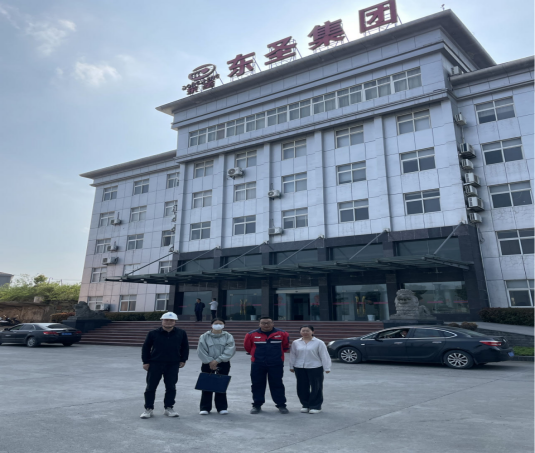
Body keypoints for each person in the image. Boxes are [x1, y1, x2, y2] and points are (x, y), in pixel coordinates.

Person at [140, 312, 189, 419]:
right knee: (151, 387)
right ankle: (148, 408)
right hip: (155, 363)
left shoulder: (181, 333)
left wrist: (183, 359)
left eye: (171, 320)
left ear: (175, 322)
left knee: (171, 386)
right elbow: (146, 348)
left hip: (173, 364)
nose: (168, 322)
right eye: (166, 320)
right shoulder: (153, 333)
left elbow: (185, 347)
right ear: (162, 321)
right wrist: (145, 362)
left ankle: (169, 408)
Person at [244, 317, 290, 414]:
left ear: (273, 323)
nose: (266, 325)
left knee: (277, 384)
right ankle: (257, 405)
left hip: (276, 363)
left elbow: (285, 347)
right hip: (258, 363)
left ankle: (281, 404)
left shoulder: (282, 334)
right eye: (263, 323)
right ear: (259, 324)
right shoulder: (251, 334)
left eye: (268, 323)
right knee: (257, 384)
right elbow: (248, 347)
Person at [196, 318, 236, 415]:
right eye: (216, 323)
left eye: (220, 323)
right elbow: (201, 350)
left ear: (224, 325)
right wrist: (210, 361)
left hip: (223, 362)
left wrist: (218, 360)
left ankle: (222, 407)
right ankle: (205, 407)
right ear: (211, 325)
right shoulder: (204, 336)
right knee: (206, 385)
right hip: (207, 363)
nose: (218, 325)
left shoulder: (228, 336)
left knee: (221, 384)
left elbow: (230, 349)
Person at [289, 325, 331, 414]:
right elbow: (293, 355)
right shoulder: (296, 342)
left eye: (307, 331)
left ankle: (316, 406)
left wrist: (327, 367)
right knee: (302, 387)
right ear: (300, 332)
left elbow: (324, 355)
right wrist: (291, 366)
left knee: (316, 387)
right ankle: (305, 405)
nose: (305, 332)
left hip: (315, 367)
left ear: (313, 332)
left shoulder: (319, 342)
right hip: (299, 367)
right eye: (303, 331)